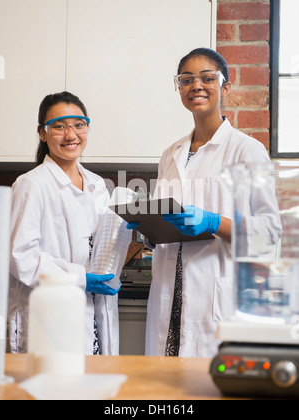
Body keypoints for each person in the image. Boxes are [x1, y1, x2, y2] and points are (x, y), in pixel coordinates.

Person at [130, 48, 271, 358]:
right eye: (186, 79)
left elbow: (268, 236)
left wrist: (212, 222)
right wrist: (147, 226)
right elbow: (167, 223)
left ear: (225, 87)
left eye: (207, 78)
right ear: (179, 87)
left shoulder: (246, 151)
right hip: (169, 295)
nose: (196, 86)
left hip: (215, 296)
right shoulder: (171, 154)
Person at [8, 91, 130, 355]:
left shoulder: (97, 184)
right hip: (50, 314)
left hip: (93, 314)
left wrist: (123, 234)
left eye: (78, 124)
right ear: (42, 133)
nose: (71, 135)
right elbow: (22, 257)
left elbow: (97, 248)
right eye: (59, 126)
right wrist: (79, 278)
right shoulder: (31, 184)